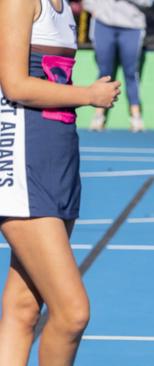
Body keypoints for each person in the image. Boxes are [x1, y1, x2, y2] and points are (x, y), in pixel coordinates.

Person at [0, 0, 120, 364]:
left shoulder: (66, 7)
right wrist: (88, 95)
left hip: (58, 161)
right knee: (72, 312)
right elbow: (15, 85)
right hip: (25, 160)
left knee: (23, 309)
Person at [82, 0, 154, 132]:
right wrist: (95, 10)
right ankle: (98, 116)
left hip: (132, 26)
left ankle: (136, 116)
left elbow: (148, 2)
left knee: (131, 73)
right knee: (104, 72)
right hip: (103, 23)